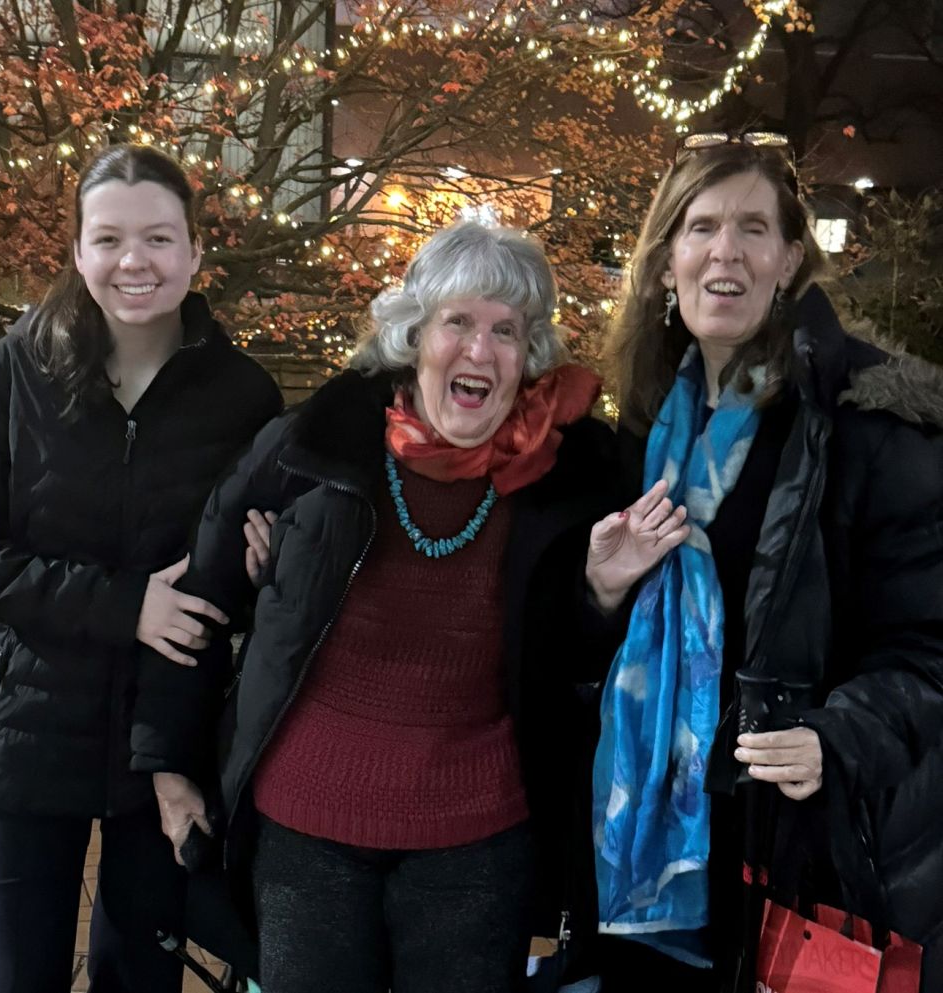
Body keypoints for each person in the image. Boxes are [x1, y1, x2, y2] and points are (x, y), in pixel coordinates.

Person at [129, 220, 683, 993]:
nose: (480, 351)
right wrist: (168, 765)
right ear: (414, 335)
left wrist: (599, 594)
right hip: (306, 823)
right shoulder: (315, 447)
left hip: (478, 837)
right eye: (458, 322)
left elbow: (578, 670)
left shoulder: (576, 478)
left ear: (531, 356)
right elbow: (203, 595)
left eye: (507, 331)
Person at [585, 131, 943, 992]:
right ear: (666, 258)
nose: (725, 252)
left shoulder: (863, 423)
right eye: (700, 226)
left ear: (789, 259)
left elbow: (928, 647)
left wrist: (837, 738)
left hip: (800, 852)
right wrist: (602, 588)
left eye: (753, 228)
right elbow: (577, 647)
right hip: (652, 855)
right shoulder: (642, 424)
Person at [0, 144, 283, 993]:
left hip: (166, 742)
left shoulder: (242, 395)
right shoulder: (10, 373)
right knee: (16, 977)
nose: (135, 261)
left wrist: (264, 565)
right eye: (109, 239)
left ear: (197, 251)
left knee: (139, 976)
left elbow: (251, 575)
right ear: (78, 251)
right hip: (26, 728)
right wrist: (122, 604)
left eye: (160, 238)